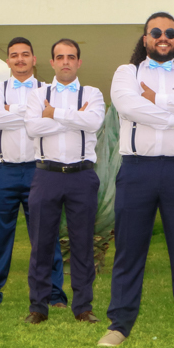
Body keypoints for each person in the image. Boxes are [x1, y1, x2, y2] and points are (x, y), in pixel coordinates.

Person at [102, 12, 174, 347]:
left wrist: (159, 101)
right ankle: (119, 325)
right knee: (129, 249)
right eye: (156, 32)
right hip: (137, 170)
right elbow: (127, 106)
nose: (163, 37)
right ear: (145, 39)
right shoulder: (127, 72)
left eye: (170, 32)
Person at [0, 36, 70, 312]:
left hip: (39, 171)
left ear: (34, 59)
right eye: (14, 55)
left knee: (46, 235)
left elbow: (55, 118)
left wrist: (15, 111)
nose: (20, 59)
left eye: (25, 54)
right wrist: (35, 113)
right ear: (7, 60)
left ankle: (54, 295)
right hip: (1, 171)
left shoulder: (48, 89)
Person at [22, 38, 105, 325]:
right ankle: (38, 307)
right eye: (60, 57)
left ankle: (83, 307)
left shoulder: (92, 92)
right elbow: (33, 127)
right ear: (52, 62)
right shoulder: (37, 94)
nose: (66, 61)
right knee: (42, 243)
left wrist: (54, 114)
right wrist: (74, 118)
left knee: (82, 244)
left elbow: (93, 122)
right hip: (46, 175)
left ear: (79, 62)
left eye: (71, 57)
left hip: (82, 175)